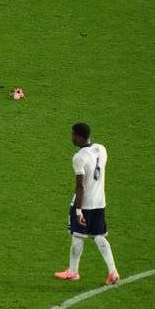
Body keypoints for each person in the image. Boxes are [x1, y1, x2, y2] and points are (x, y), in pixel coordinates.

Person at [54, 122, 120, 285]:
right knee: (98, 235)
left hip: (84, 203)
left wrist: (78, 211)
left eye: (72, 135)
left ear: (79, 136)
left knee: (77, 234)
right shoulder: (101, 149)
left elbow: (80, 186)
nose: (71, 137)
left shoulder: (79, 157)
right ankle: (113, 271)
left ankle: (73, 271)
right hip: (99, 201)